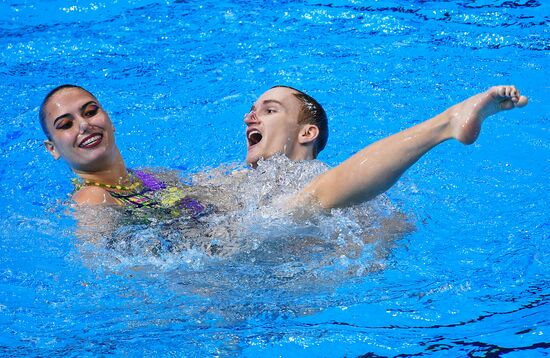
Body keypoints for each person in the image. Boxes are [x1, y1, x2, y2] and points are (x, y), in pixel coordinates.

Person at [243, 85, 528, 209]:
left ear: (307, 132)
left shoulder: (324, 185)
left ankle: (448, 123)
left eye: (270, 111)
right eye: (252, 110)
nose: (249, 118)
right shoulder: (233, 182)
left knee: (302, 204)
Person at [40, 84, 207, 217]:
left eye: (90, 112)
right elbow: (97, 259)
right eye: (66, 125)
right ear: (53, 149)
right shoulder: (92, 198)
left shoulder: (149, 177)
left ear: (110, 121)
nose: (83, 125)